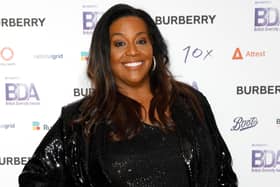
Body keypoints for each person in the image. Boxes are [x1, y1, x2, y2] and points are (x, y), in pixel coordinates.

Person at [18, 3, 238, 187]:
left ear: (154, 48)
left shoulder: (192, 103)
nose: (133, 51)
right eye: (120, 43)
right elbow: (34, 179)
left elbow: (222, 173)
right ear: (105, 54)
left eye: (141, 40)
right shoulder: (81, 120)